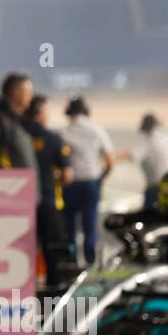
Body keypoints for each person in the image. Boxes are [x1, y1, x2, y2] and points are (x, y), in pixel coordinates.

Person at [24, 95, 73, 283]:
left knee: (22, 252)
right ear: (41, 114)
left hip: (20, 203)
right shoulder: (53, 139)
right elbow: (67, 175)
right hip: (49, 202)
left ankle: (23, 293)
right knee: (53, 251)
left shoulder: (18, 135)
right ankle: (53, 296)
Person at [62, 96, 114, 266]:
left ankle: (70, 265)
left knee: (69, 228)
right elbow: (110, 160)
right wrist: (101, 179)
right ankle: (92, 267)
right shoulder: (97, 129)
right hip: (91, 183)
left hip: (69, 185)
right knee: (90, 227)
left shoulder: (65, 132)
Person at [116, 113, 168, 208]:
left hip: (159, 189)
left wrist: (107, 160)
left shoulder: (149, 140)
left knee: (147, 217)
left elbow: (130, 154)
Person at [0, 73, 36, 170]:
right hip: (8, 182)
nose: (31, 96)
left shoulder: (21, 121)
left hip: (26, 182)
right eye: (28, 92)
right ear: (15, 92)